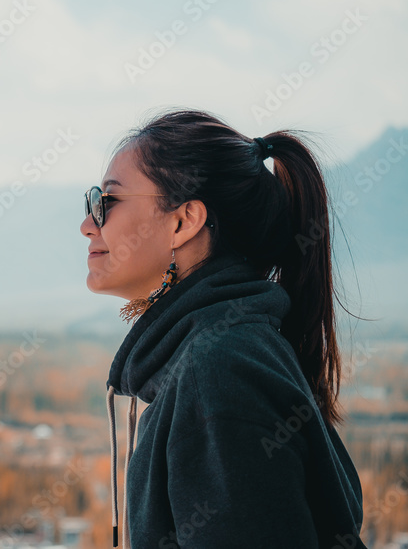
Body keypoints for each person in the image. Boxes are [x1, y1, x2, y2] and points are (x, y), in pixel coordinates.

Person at [79, 109, 367, 548]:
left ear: (183, 221)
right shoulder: (228, 352)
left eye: (107, 202)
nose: (87, 225)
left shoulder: (218, 371)